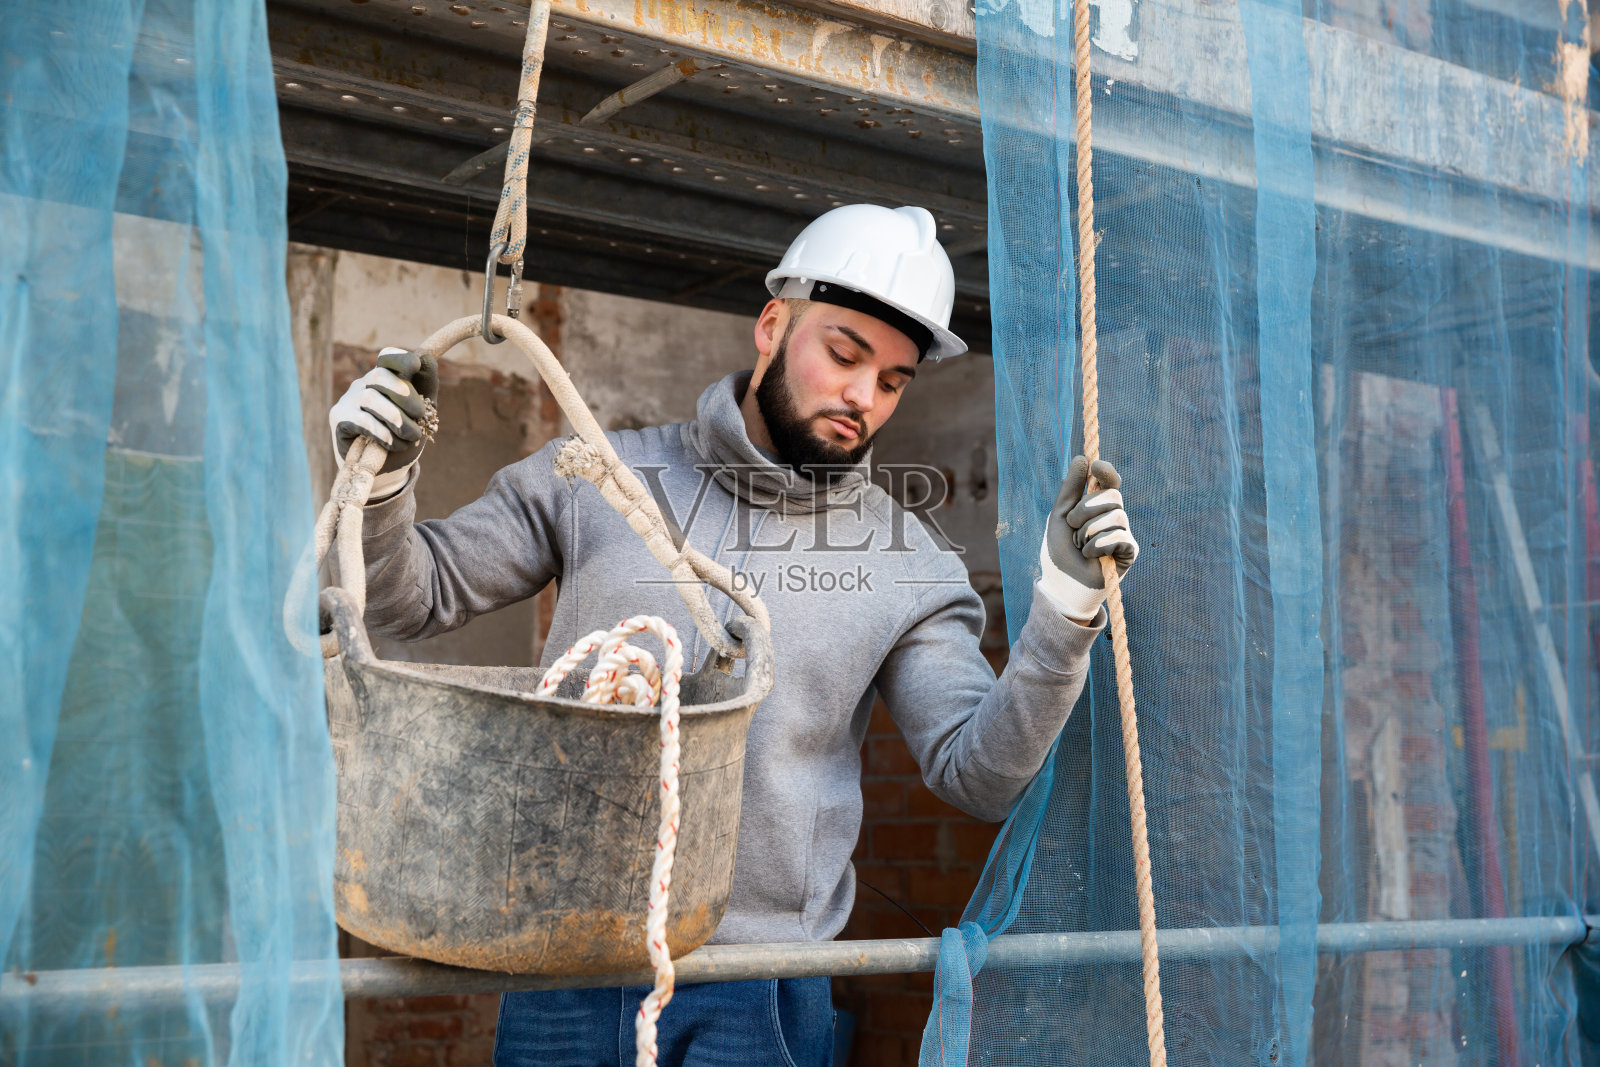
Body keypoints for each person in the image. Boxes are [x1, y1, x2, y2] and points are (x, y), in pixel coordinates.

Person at [329, 204, 1138, 1067]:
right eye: (843, 353)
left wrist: (1065, 610)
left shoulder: (911, 566)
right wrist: (380, 481)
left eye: (894, 380)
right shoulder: (593, 478)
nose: (862, 397)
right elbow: (405, 599)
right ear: (772, 324)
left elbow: (978, 775)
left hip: (762, 988)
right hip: (561, 962)